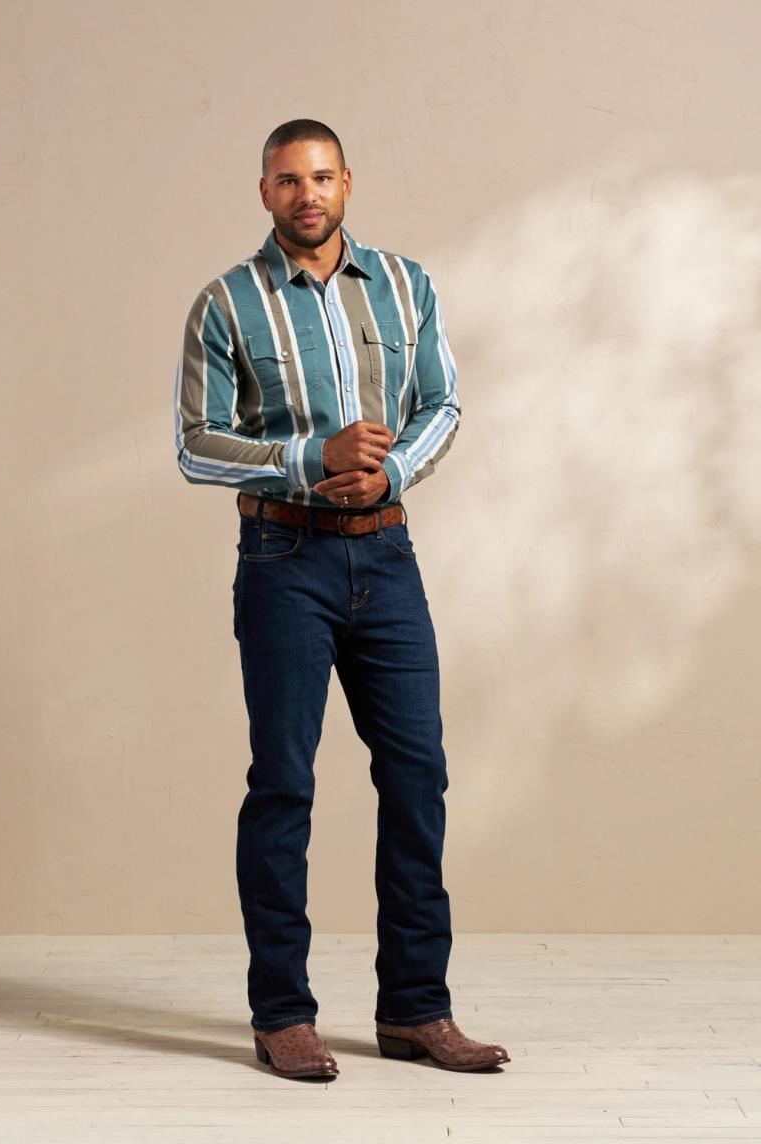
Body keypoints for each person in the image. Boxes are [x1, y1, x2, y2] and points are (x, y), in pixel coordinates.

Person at [174, 118, 510, 1080]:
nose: (306, 194)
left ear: (348, 183)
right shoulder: (227, 303)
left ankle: (415, 1009)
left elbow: (442, 402)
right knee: (283, 784)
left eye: (321, 177)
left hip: (388, 557)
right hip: (284, 560)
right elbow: (196, 441)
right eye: (287, 180)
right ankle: (282, 1013)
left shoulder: (407, 285)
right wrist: (304, 458)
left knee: (418, 776)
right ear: (265, 192)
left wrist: (391, 471)